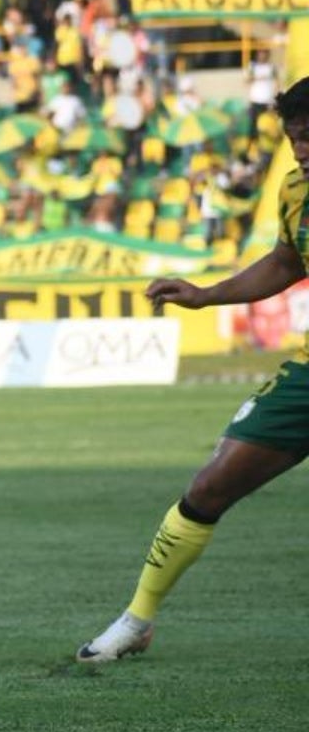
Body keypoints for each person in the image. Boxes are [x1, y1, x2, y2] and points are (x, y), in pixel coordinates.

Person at [78, 77, 309, 663]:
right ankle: (137, 620)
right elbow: (286, 261)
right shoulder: (294, 191)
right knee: (209, 485)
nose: (301, 151)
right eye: (293, 140)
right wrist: (206, 296)